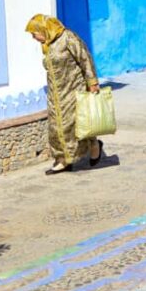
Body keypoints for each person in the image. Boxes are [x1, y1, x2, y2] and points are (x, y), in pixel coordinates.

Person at [26, 14, 106, 174]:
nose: (34, 38)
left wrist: (92, 82)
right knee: (57, 127)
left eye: (35, 34)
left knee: (79, 122)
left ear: (44, 29)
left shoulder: (68, 38)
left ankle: (94, 145)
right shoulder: (48, 44)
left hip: (74, 88)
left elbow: (85, 58)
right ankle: (63, 160)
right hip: (56, 93)